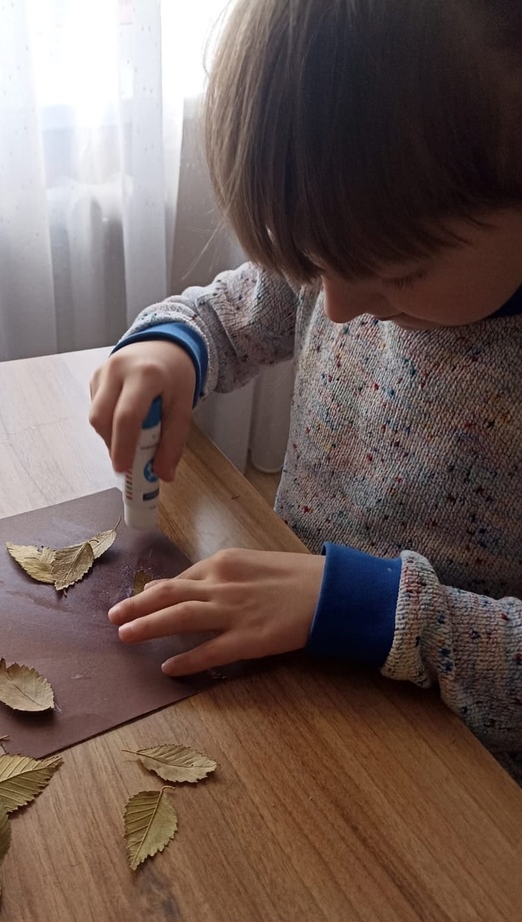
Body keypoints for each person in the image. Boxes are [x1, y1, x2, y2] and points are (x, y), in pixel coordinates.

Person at [88, 0, 522, 781]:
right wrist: (172, 345)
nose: (338, 306)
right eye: (313, 267)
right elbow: (232, 311)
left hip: (454, 770)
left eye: (398, 275)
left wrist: (369, 608)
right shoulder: (352, 256)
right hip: (297, 677)